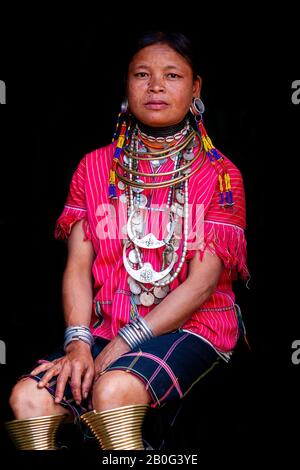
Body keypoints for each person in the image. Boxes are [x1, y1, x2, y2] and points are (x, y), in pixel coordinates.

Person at [6, 31, 249, 451]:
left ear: (195, 89)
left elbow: (202, 285)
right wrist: (80, 343)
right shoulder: (94, 167)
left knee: (113, 391)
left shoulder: (221, 176)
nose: (155, 86)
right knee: (27, 398)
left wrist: (119, 347)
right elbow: (78, 269)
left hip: (196, 326)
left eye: (172, 75)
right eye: (142, 74)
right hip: (108, 324)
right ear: (127, 85)